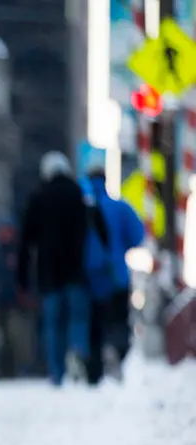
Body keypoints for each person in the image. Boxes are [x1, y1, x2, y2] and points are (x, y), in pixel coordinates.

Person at [17, 151, 90, 386]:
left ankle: (57, 372)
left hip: (48, 272)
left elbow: (26, 240)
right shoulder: (77, 193)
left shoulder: (39, 197)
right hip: (76, 269)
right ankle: (78, 352)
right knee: (77, 318)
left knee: (53, 323)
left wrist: (22, 277)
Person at [80, 156, 144, 384]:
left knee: (93, 324)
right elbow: (138, 236)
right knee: (118, 321)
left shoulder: (81, 210)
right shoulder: (120, 207)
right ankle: (116, 353)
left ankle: (95, 371)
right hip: (117, 275)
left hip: (89, 277)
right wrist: (119, 249)